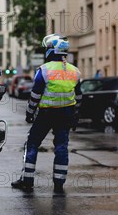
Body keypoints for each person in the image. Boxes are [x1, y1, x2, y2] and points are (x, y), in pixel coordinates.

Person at [11, 34, 82, 194]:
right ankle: (59, 182)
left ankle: (27, 180)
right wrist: (76, 114)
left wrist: (29, 113)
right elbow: (78, 96)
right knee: (61, 147)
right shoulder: (75, 71)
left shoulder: (44, 70)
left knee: (32, 144)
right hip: (66, 114)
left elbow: (35, 95)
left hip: (46, 114)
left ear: (52, 51)